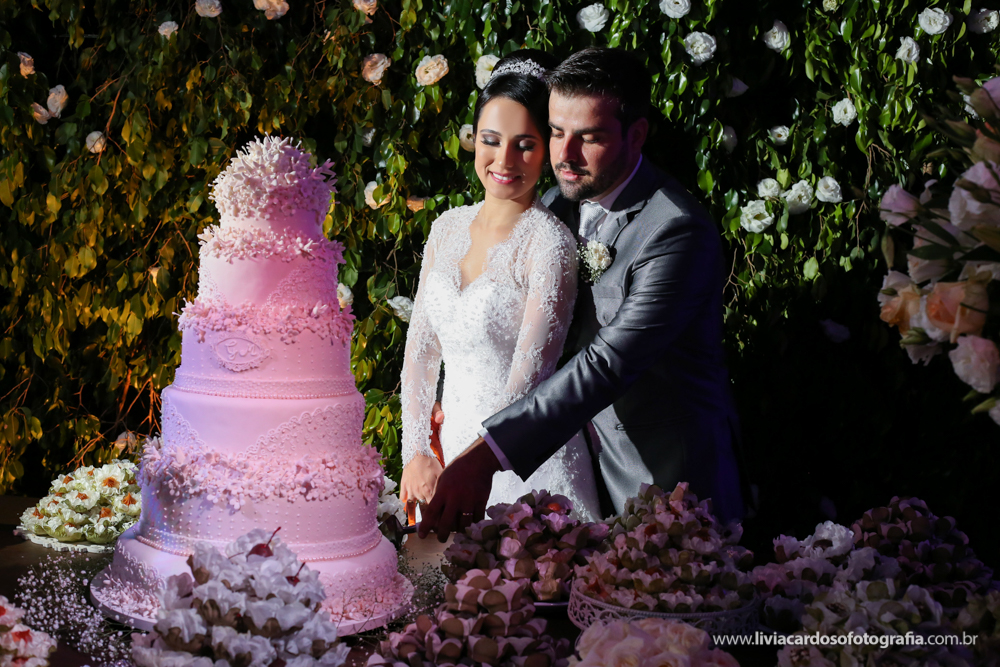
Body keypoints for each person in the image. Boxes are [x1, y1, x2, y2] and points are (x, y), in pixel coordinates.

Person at [419, 47, 747, 541]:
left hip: (664, 484)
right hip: (568, 471)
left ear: (636, 134)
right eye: (556, 132)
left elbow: (607, 364)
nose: (565, 156)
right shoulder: (556, 204)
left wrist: (485, 456)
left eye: (589, 137)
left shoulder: (676, 231)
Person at [397, 50, 602, 522]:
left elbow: (528, 382)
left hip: (522, 462)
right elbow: (420, 353)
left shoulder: (549, 243)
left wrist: (471, 466)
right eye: (491, 140)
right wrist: (417, 452)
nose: (504, 160)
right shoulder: (446, 228)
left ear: (547, 149)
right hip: (442, 457)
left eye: (525, 145)